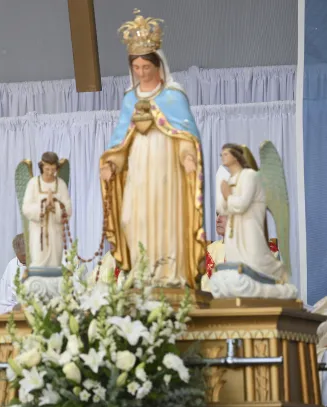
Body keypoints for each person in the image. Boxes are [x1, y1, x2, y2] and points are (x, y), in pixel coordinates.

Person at [100, 11, 205, 289]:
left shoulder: (173, 96)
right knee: (133, 216)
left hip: (165, 168)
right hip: (138, 167)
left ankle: (168, 273)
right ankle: (142, 271)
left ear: (158, 66)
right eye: (137, 68)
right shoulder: (129, 99)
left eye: (146, 67)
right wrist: (112, 163)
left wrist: (187, 157)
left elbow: (185, 134)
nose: (142, 73)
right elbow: (120, 139)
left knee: (165, 216)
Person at [216, 144, 288, 283]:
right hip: (234, 230)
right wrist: (225, 197)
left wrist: (227, 196)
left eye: (226, 154)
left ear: (236, 157)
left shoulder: (250, 176)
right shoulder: (230, 180)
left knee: (256, 260)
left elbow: (243, 204)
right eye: (221, 154)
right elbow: (222, 209)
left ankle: (278, 273)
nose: (222, 157)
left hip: (249, 226)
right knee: (235, 269)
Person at [202, 212, 280, 292]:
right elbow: (205, 286)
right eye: (217, 214)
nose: (218, 219)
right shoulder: (210, 250)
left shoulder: (266, 249)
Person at [22, 152, 72, 268]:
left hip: (55, 230)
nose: (50, 172)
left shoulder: (61, 185)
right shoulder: (34, 183)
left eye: (53, 169)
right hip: (38, 230)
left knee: (55, 263)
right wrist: (43, 207)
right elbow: (26, 207)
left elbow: (68, 208)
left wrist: (55, 207)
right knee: (39, 260)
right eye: (47, 169)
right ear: (42, 167)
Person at [0, 234, 27, 314]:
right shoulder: (12, 266)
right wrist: (14, 309)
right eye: (23, 262)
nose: (25, 265)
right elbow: (3, 302)